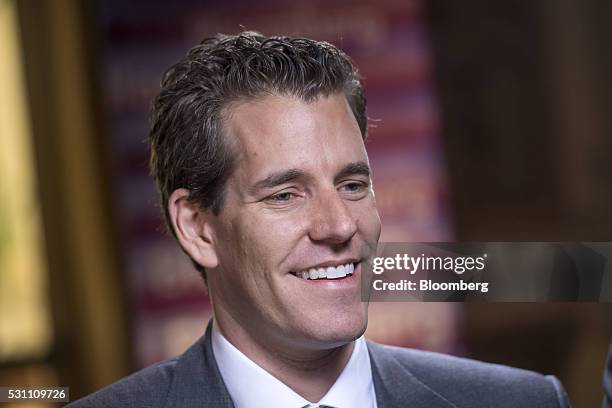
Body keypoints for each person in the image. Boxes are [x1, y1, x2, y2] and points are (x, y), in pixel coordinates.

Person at [69, 31, 570, 408]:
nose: (339, 226)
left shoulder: (523, 402)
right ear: (198, 227)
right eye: (286, 194)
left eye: (352, 185)